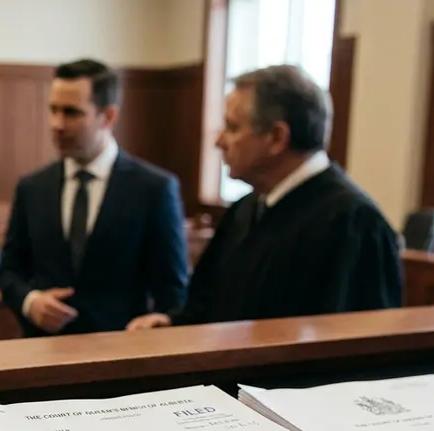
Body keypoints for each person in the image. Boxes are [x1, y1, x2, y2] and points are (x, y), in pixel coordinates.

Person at [127, 65, 403, 331]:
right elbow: (208, 303)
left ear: (276, 137)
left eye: (233, 128)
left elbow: (354, 346)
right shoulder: (246, 209)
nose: (218, 141)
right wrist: (173, 324)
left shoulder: (353, 222)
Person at [0, 59, 189, 337]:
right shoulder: (32, 187)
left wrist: (160, 325)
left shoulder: (154, 188)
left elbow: (172, 292)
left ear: (108, 116)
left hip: (121, 353)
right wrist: (30, 301)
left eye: (72, 113)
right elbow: (8, 271)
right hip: (42, 350)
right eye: (53, 110)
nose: (57, 124)